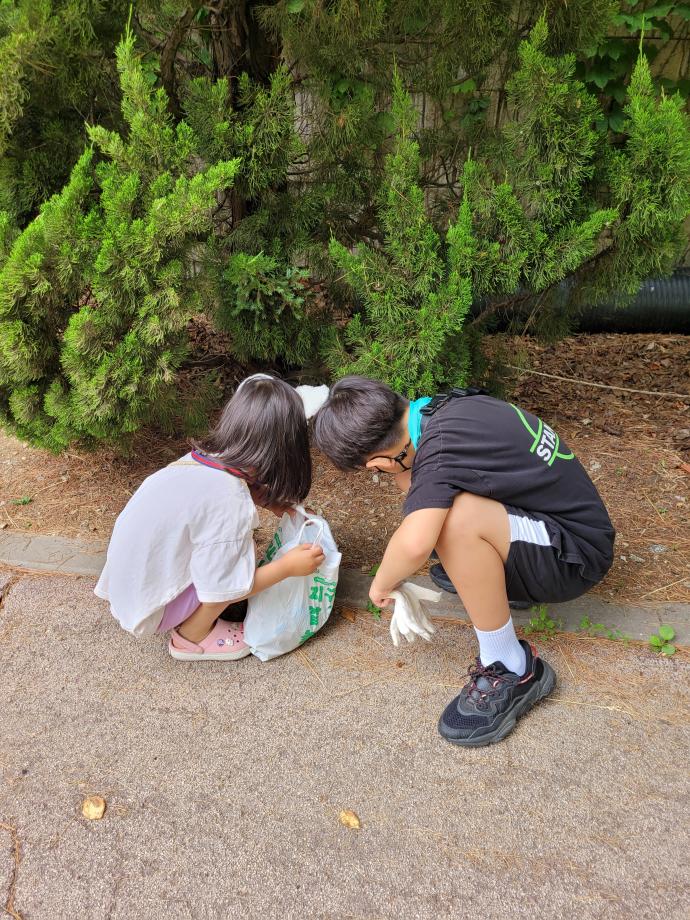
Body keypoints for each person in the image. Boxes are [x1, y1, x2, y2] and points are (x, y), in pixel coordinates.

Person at [313, 376, 615, 747]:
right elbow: (418, 492)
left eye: (373, 471)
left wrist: (381, 585)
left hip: (574, 558)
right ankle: (495, 582)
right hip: (564, 527)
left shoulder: (440, 451)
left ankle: (513, 667)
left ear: (377, 462)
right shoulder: (440, 411)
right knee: (437, 514)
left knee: (453, 525)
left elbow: (415, 543)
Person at [96, 375, 324, 661]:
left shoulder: (203, 459)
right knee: (241, 556)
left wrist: (272, 503)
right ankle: (192, 636)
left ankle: (191, 616)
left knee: (233, 550)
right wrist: (288, 567)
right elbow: (225, 584)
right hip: (152, 609)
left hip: (132, 587)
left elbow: (204, 508)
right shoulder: (230, 501)